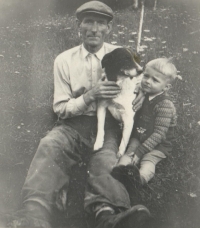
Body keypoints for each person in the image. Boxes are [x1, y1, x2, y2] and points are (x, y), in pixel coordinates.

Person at [2, 1, 150, 228]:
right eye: (88, 22)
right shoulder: (64, 60)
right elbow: (60, 107)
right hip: (73, 123)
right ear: (79, 26)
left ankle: (108, 215)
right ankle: (34, 213)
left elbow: (141, 76)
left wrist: (142, 95)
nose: (94, 29)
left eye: (100, 23)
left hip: (109, 124)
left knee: (106, 159)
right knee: (50, 145)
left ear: (108, 29)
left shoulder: (120, 54)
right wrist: (89, 96)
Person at [112, 58, 177, 186]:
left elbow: (159, 134)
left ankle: (139, 179)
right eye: (146, 76)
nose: (147, 81)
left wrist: (140, 152)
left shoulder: (165, 105)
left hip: (159, 144)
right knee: (129, 153)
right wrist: (141, 92)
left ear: (166, 87)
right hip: (139, 136)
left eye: (155, 80)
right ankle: (119, 171)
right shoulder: (144, 93)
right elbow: (135, 85)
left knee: (148, 160)